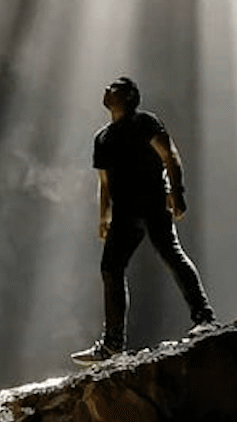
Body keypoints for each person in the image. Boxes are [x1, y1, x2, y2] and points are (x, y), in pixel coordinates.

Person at [72, 76, 217, 364]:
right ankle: (113, 344)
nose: (106, 89)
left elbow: (170, 155)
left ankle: (205, 318)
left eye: (114, 87)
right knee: (111, 268)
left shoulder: (146, 122)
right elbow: (104, 181)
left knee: (171, 253)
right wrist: (104, 217)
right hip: (124, 211)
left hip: (152, 201)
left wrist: (177, 191)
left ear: (128, 96)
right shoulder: (102, 137)